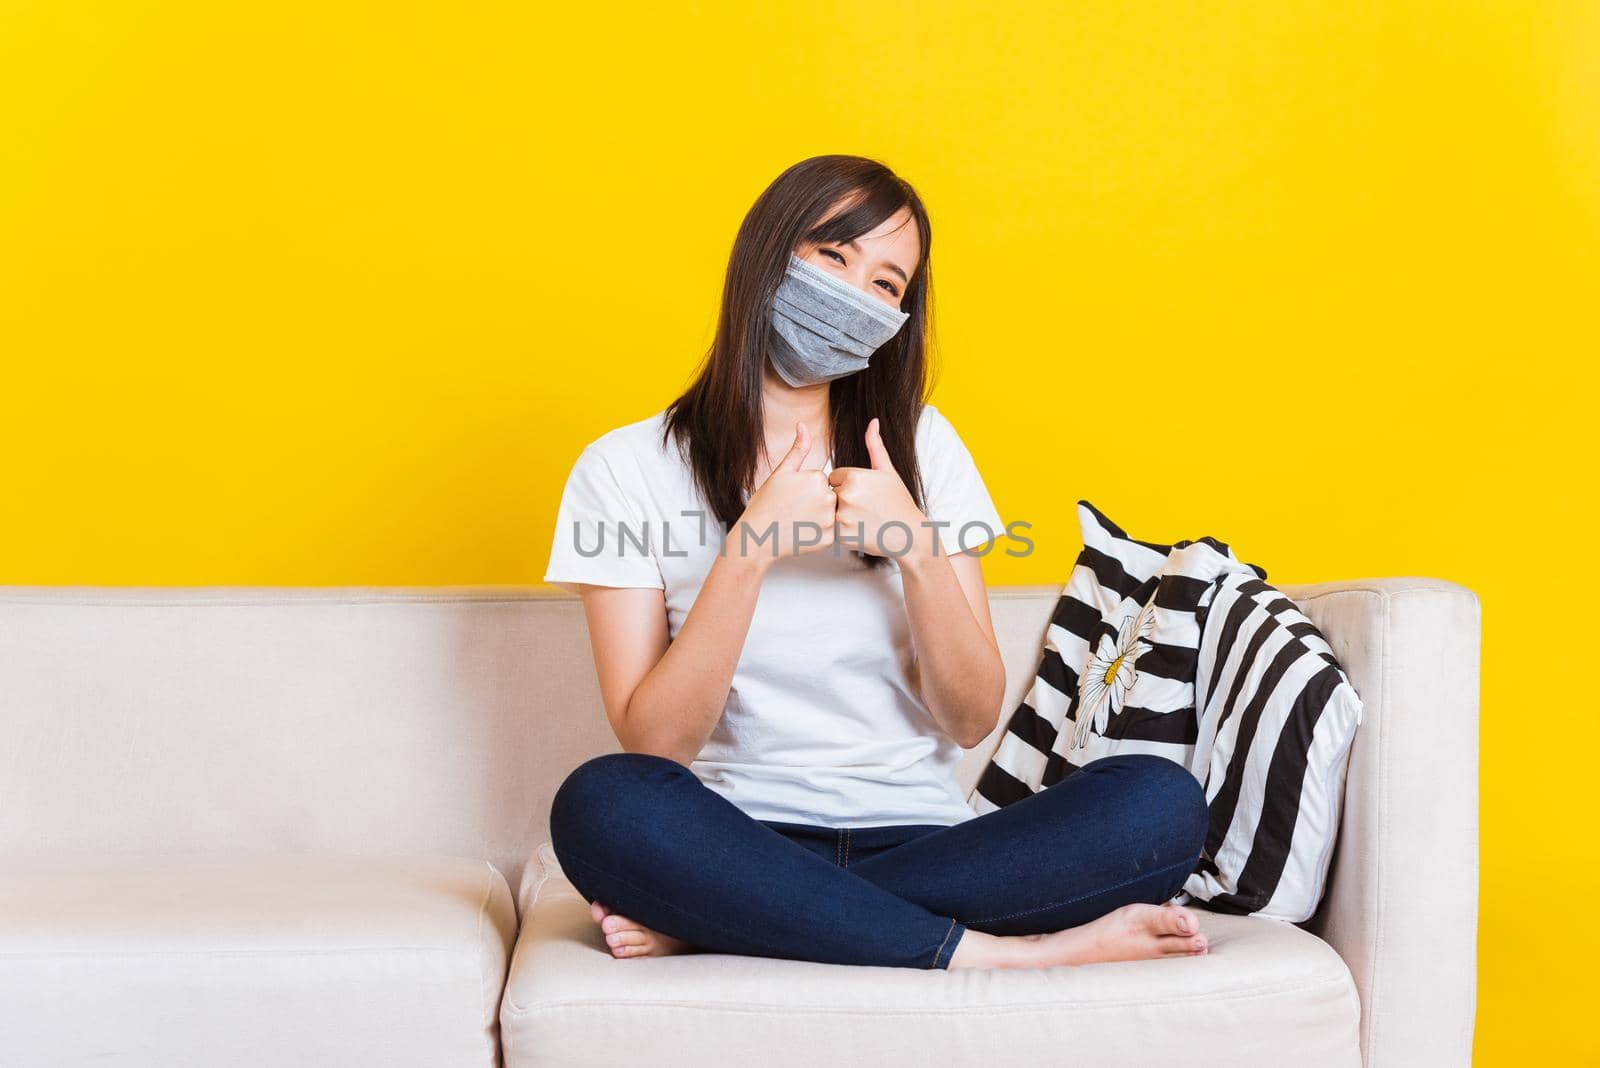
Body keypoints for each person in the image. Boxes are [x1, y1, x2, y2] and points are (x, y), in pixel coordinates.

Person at [541, 154, 1210, 970]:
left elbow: (968, 718)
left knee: (1156, 801)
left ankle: (749, 921)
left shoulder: (923, 448)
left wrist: (917, 547)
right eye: (834, 255)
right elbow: (653, 748)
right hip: (733, 839)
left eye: (888, 285)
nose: (857, 294)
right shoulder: (624, 468)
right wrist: (749, 551)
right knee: (602, 802)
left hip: (925, 842)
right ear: (768, 252)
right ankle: (1000, 955)